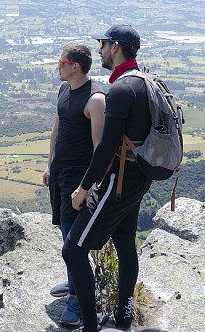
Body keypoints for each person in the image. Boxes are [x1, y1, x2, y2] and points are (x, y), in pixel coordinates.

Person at [62, 24, 151, 331]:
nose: (99, 49)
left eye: (102, 43)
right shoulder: (145, 81)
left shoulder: (121, 90)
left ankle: (89, 326)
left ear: (115, 47)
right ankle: (123, 313)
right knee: (125, 244)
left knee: (72, 250)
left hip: (118, 179)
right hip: (139, 179)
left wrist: (84, 187)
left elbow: (106, 149)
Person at [44, 43, 106, 327]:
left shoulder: (95, 100)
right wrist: (49, 165)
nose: (58, 66)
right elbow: (57, 130)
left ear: (75, 66)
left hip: (77, 180)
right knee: (65, 233)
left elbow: (98, 148)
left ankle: (77, 302)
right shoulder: (64, 90)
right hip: (59, 174)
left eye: (61, 62)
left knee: (73, 242)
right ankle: (73, 282)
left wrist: (88, 186)